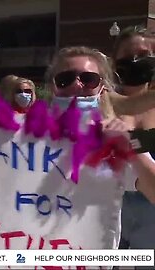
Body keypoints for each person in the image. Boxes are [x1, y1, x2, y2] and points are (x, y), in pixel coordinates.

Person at [45, 46, 155, 249]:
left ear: (101, 88)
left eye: (88, 79)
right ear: (54, 87)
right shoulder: (23, 135)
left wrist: (130, 148)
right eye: (65, 79)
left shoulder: (115, 140)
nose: (77, 86)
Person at [110, 26, 155, 252]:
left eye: (144, 56)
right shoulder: (102, 104)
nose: (136, 62)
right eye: (128, 57)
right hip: (109, 213)